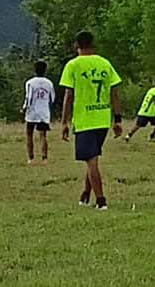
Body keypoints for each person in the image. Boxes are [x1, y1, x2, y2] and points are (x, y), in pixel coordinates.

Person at [57, 30, 121, 210]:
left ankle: (101, 200)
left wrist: (64, 122)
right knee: (92, 158)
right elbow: (114, 92)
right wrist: (117, 119)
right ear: (93, 44)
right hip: (103, 118)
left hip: (85, 120)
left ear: (76, 45)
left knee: (91, 161)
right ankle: (86, 193)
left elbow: (68, 96)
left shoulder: (72, 65)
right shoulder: (104, 63)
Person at [23, 59, 55, 163]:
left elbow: (29, 98)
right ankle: (44, 158)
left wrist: (24, 108)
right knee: (43, 135)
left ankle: (31, 158)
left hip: (32, 112)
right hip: (43, 112)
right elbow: (52, 98)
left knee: (29, 134)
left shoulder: (30, 83)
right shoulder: (49, 83)